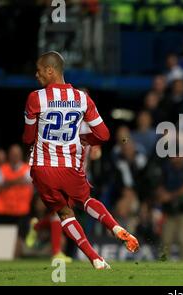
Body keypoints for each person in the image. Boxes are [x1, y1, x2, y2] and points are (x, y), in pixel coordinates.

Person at [22, 51, 139, 269]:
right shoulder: (82, 98)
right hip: (70, 166)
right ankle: (115, 227)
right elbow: (103, 135)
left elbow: (28, 137)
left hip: (43, 169)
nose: (36, 76)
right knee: (86, 201)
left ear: (50, 70)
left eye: (39, 71)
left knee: (64, 214)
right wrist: (84, 138)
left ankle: (95, 258)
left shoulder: (35, 98)